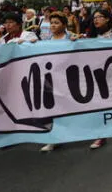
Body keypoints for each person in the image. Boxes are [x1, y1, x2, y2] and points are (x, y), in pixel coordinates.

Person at [84, 9, 112, 149]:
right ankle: (101, 135)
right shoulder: (90, 35)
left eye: (99, 17)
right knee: (98, 104)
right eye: (94, 18)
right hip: (96, 74)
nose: (96, 20)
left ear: (108, 19)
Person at [40, 12, 77, 152]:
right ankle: (55, 138)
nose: (53, 25)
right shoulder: (47, 40)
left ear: (64, 25)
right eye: (52, 23)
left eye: (56, 23)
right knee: (53, 109)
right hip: (51, 80)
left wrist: (77, 41)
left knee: (71, 107)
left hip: (69, 79)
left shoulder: (71, 37)